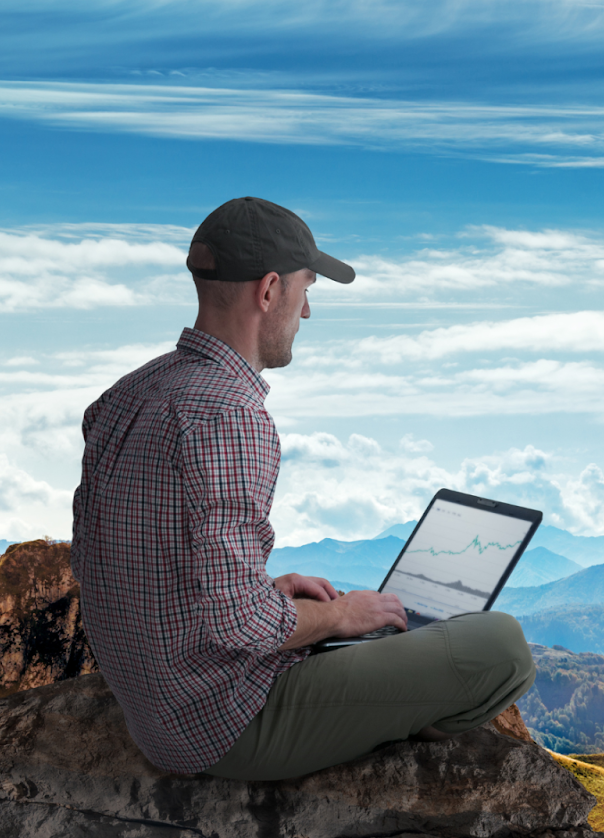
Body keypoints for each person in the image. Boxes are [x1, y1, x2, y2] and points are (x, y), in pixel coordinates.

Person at [71, 197, 535, 780]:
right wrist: (340, 616)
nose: (308, 311)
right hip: (223, 725)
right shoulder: (229, 415)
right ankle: (402, 729)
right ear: (269, 291)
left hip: (156, 705)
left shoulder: (127, 394)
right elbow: (240, 625)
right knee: (502, 646)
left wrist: (270, 591)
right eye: (306, 288)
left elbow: (122, 561)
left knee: (375, 624)